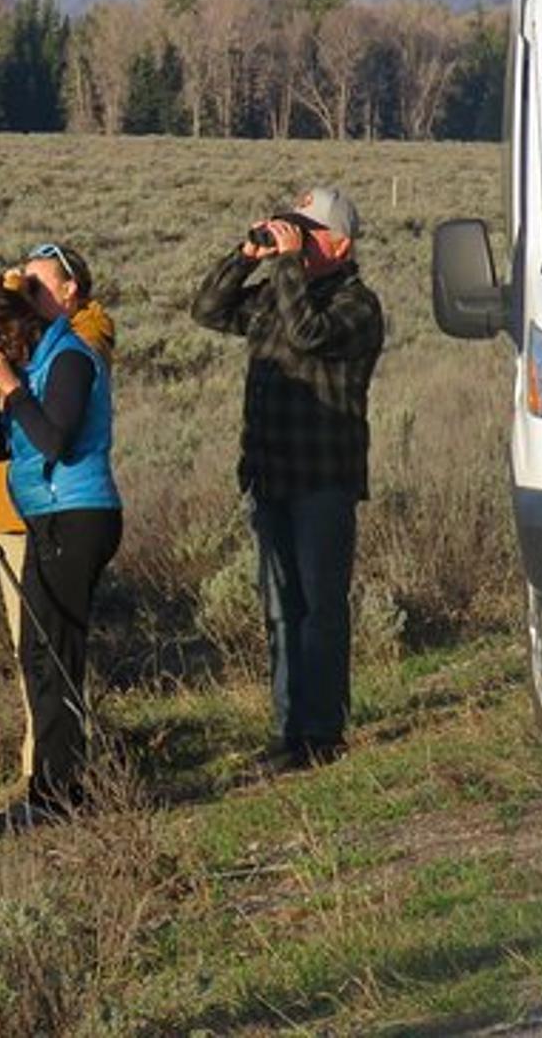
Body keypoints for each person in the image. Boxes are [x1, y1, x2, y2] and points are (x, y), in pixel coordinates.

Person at [190, 187, 384, 769]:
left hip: (323, 478)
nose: (294, 240)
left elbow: (308, 334)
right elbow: (208, 311)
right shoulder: (280, 291)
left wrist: (287, 267)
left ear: (341, 244)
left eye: (307, 232)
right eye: (290, 229)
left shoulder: (358, 305)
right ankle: (286, 732)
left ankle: (322, 734)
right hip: (270, 472)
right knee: (280, 609)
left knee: (320, 608)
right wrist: (245, 257)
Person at [0, 243, 121, 815]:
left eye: (36, 282)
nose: (26, 288)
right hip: (49, 516)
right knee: (37, 654)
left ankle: (58, 794)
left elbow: (56, 440)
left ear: (69, 291)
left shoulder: (72, 356)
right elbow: (17, 446)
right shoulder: (37, 360)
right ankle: (52, 789)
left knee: (55, 655)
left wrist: (11, 388)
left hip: (77, 517)